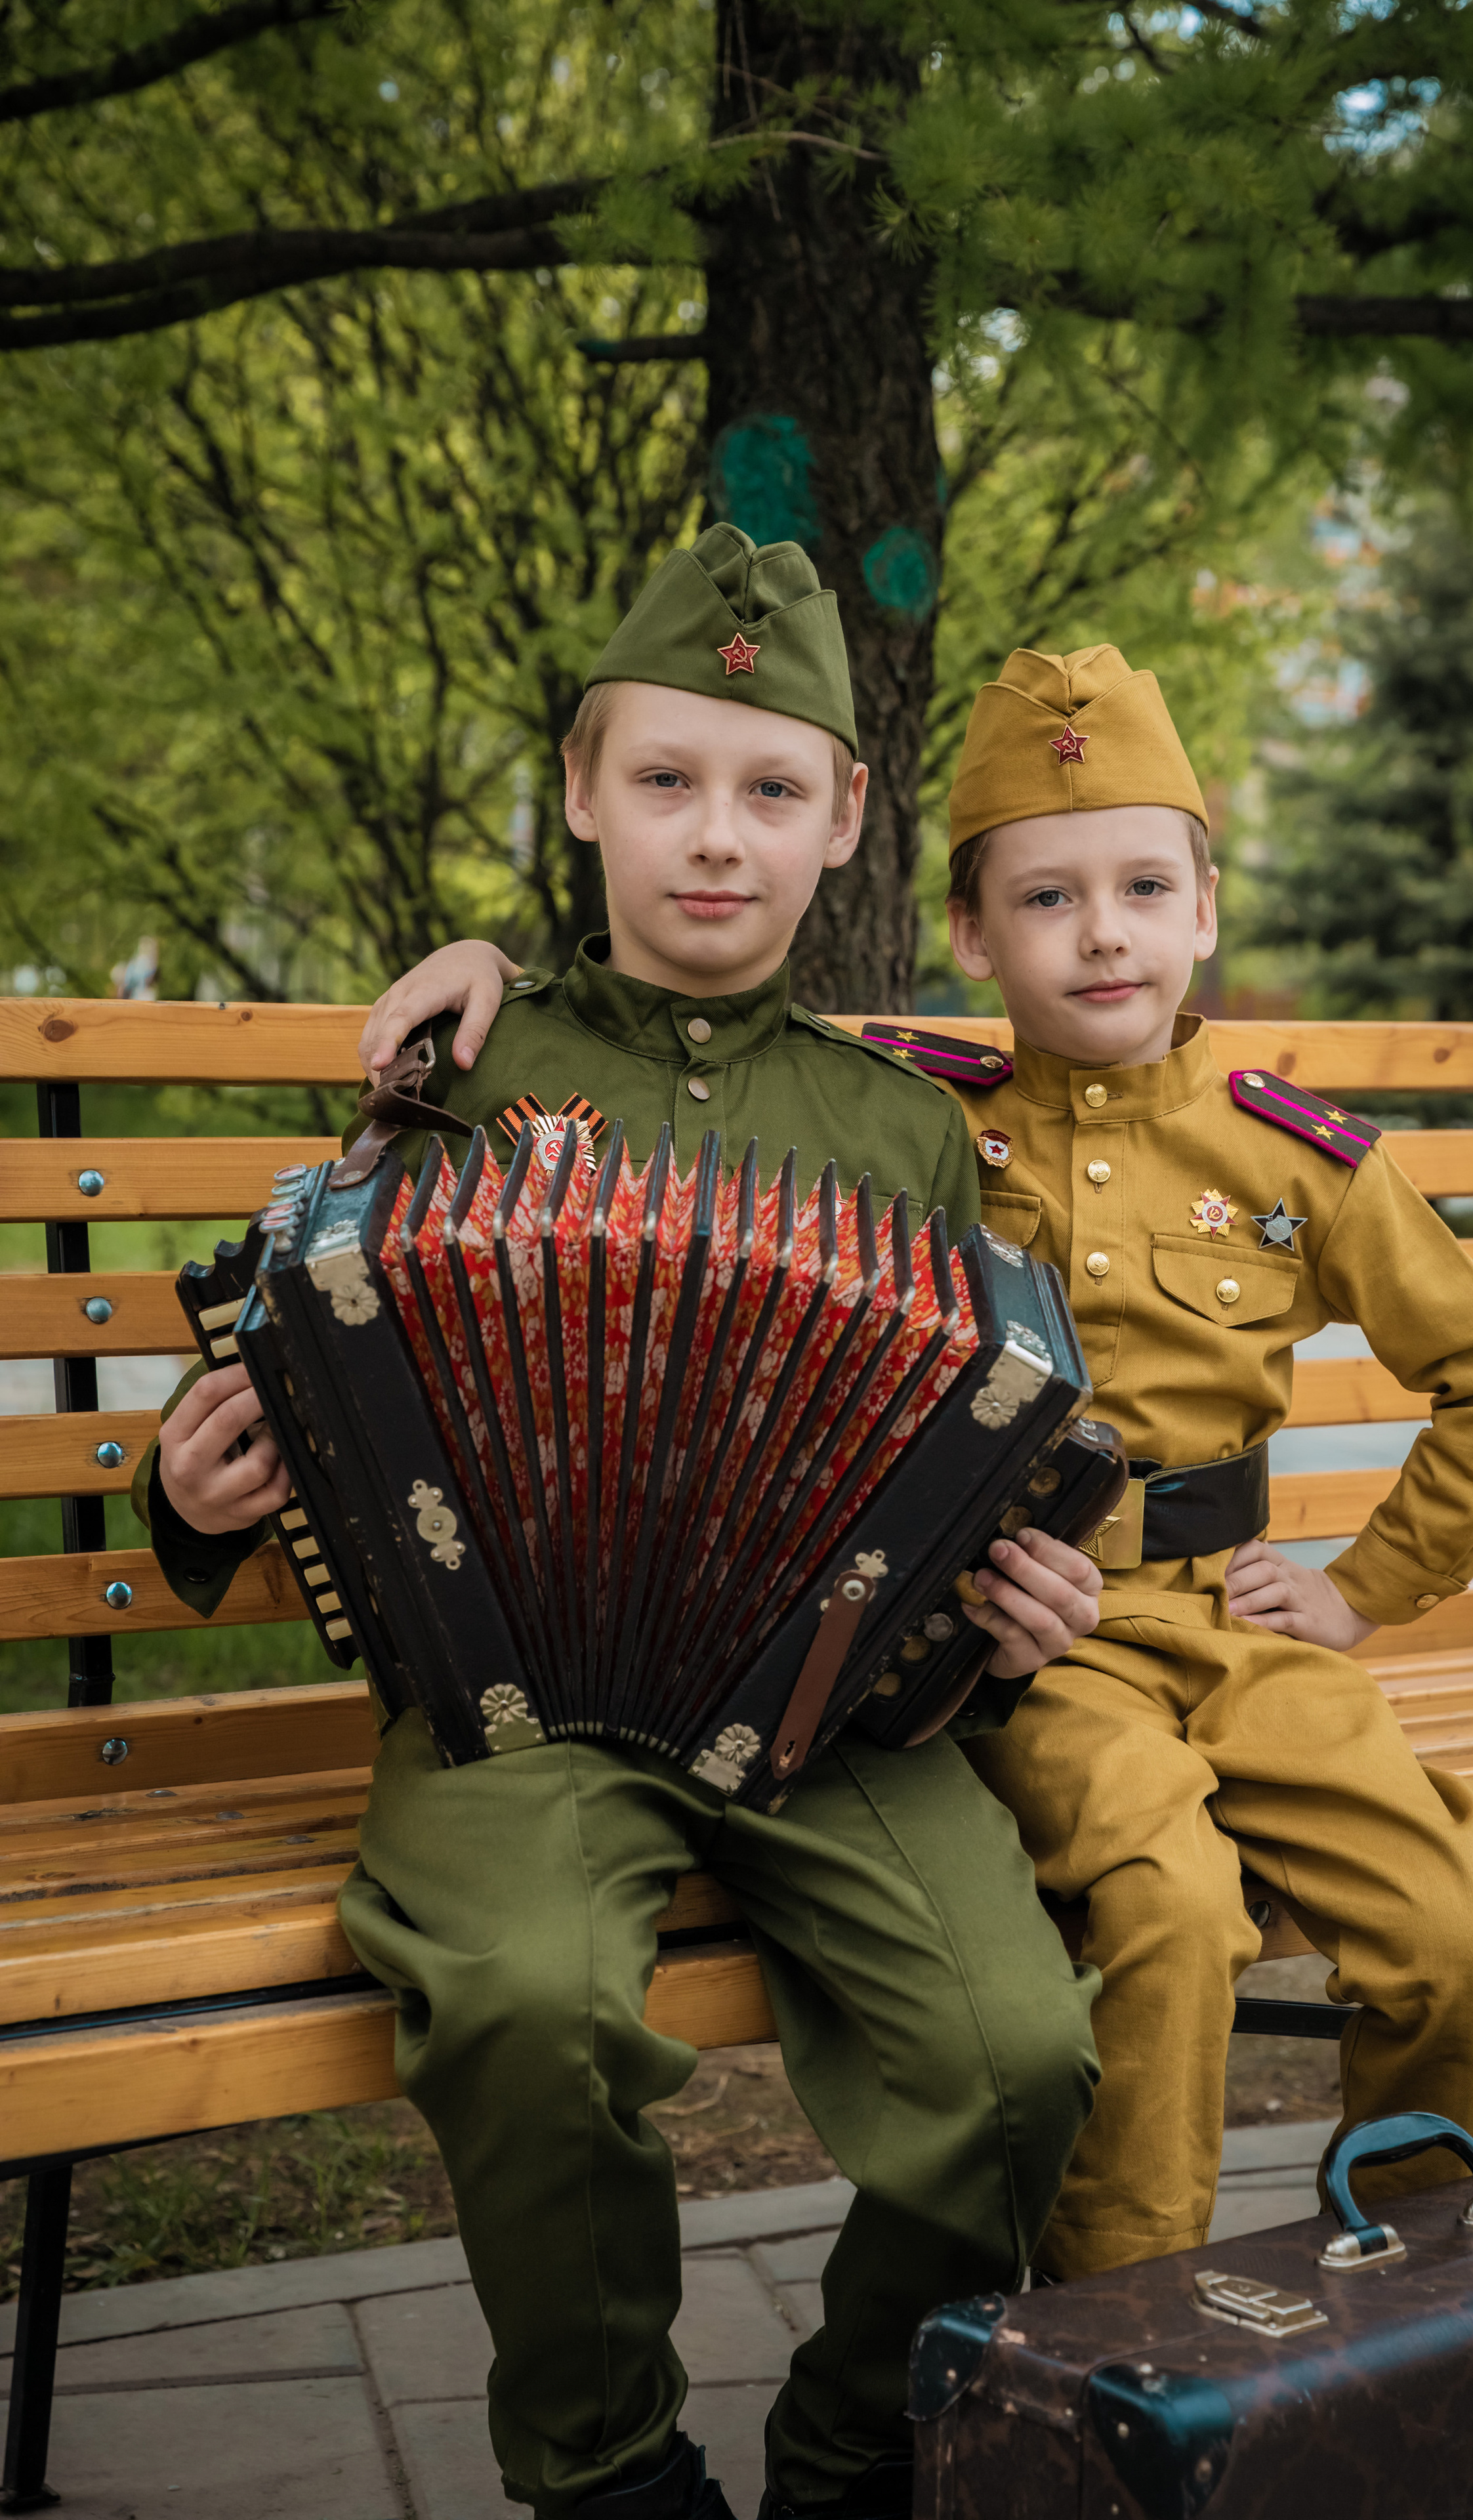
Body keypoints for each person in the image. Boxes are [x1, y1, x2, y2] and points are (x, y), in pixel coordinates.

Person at [135, 532, 1104, 2520]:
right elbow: (312, 1326)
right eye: (663, 782)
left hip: (828, 1704)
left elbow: (968, 1438)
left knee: (1016, 2054)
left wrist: (1013, 1592)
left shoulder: (905, 1126)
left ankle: (852, 2451)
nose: (714, 840)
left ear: (847, 817)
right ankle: (609, 2470)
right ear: (580, 795)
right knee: (530, 2000)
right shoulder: (463, 1056)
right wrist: (186, 1493)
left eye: (769, 791)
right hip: (515, 1705)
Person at [861, 640, 1473, 2279]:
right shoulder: (914, 1131)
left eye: (1138, 887)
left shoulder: (1283, 1154)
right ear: (970, 933)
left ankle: (1413, 2296)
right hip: (1035, 1649)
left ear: (1204, 910)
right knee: (1166, 1910)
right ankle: (1123, 2341)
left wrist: (1362, 1590)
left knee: (1458, 1921)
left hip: (1241, 1628)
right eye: (1044, 898)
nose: (1101, 933)